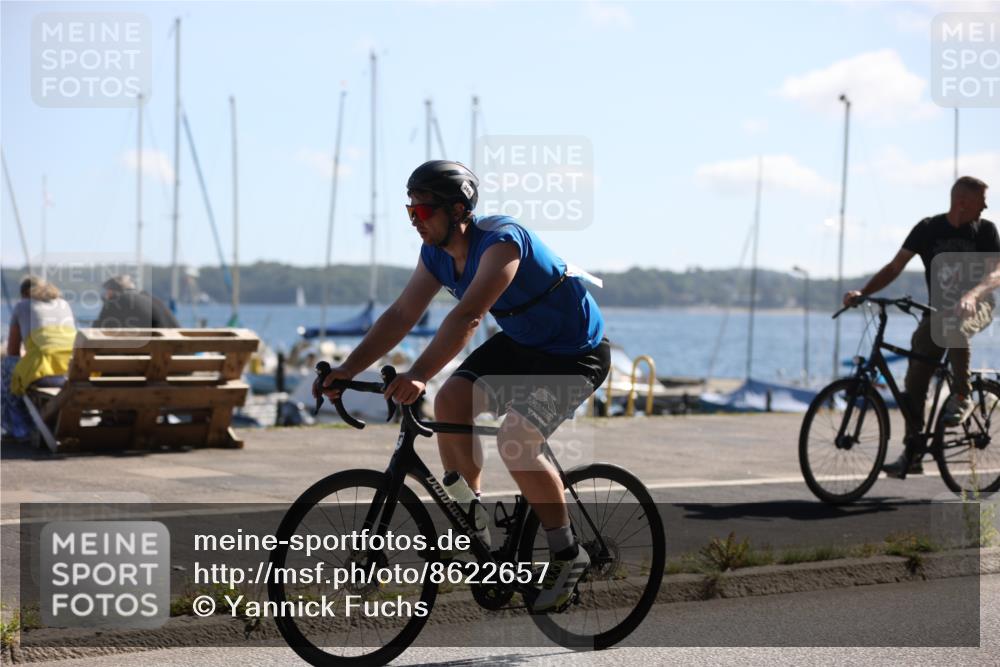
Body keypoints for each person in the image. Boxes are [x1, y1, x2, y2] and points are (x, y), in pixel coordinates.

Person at [314, 160, 609, 611]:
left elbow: (469, 316)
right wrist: (349, 369)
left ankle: (568, 552)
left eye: (423, 212)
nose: (416, 221)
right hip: (525, 344)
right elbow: (400, 315)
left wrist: (418, 374)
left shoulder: (502, 244)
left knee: (516, 440)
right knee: (451, 399)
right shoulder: (435, 254)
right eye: (410, 212)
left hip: (575, 352)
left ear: (456, 210)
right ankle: (471, 518)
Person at [843, 176, 998, 477]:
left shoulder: (986, 230)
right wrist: (864, 293)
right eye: (982, 201)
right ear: (963, 202)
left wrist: (971, 295)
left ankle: (962, 395)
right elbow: (894, 267)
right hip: (937, 313)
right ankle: (912, 453)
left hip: (978, 306)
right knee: (914, 383)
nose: (986, 207)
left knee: (954, 324)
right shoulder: (928, 229)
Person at [2, 276, 77, 441]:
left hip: (45, 374)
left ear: (25, 293)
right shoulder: (64, 304)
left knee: (7, 368)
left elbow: (13, 351)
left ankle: (19, 429)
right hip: (72, 372)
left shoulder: (22, 305)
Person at [93, 275, 179, 329]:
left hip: (148, 355)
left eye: (106, 291)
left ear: (111, 291)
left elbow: (96, 331)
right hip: (175, 355)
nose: (105, 296)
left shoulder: (116, 301)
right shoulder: (154, 301)